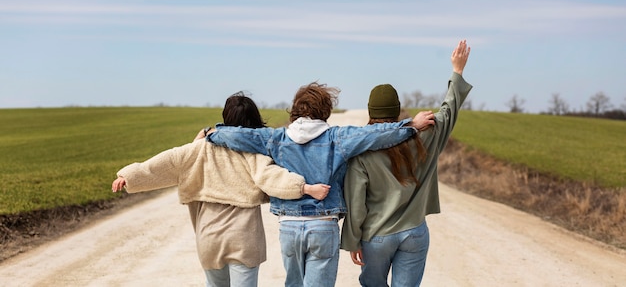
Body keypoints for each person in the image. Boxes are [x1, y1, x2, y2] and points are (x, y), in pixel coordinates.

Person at [207, 85, 435, 287]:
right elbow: (376, 134)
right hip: (323, 227)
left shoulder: (275, 138)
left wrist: (211, 134)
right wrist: (411, 125)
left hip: (289, 226)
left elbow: (237, 135)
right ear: (325, 110)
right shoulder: (338, 137)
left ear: (295, 110)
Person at [111, 92, 331, 287]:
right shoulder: (252, 152)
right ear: (254, 119)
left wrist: (128, 176)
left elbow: (166, 162)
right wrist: (304, 187)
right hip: (244, 239)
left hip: (209, 237)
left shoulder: (200, 148)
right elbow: (271, 178)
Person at [340, 39, 473, 286]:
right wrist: (458, 70)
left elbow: (356, 203)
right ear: (398, 110)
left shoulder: (362, 149)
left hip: (376, 237)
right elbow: (449, 110)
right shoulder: (425, 136)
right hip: (414, 232)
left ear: (370, 112)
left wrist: (353, 240)